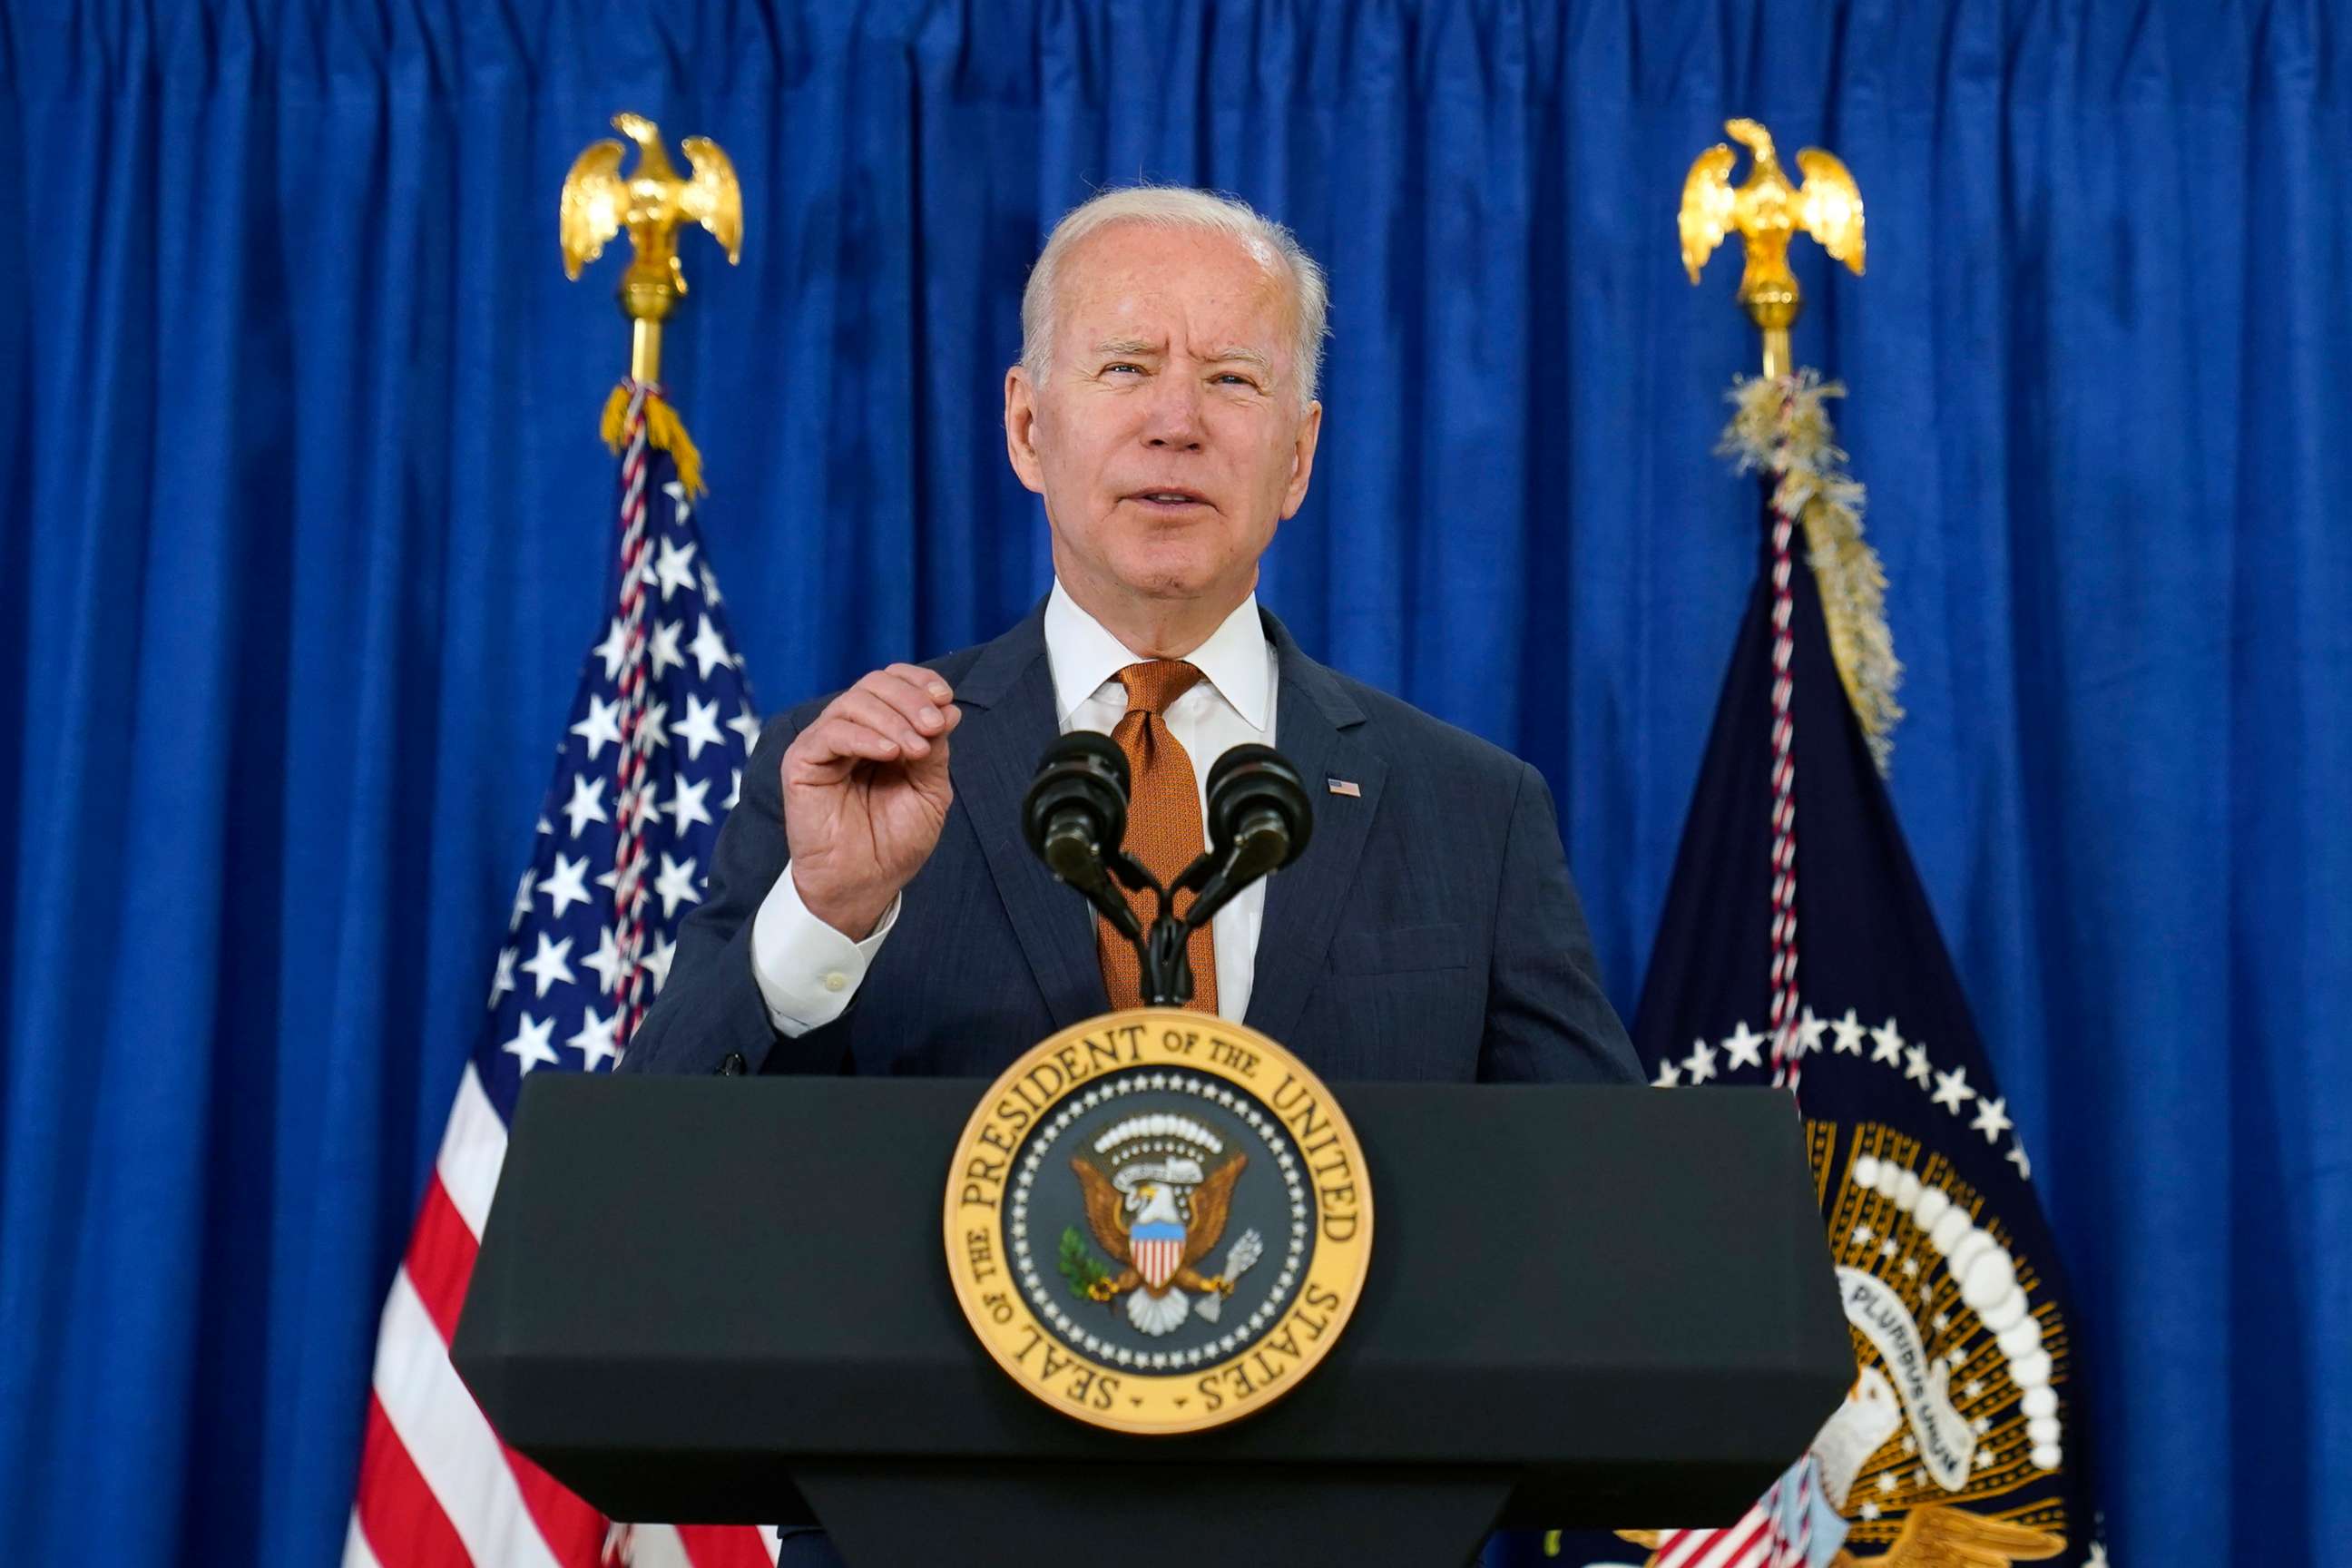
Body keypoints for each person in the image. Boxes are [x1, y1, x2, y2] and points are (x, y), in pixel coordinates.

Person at [622, 185, 1636, 1089]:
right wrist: (826, 913)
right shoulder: (860, 781)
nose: (1176, 423)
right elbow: (658, 1168)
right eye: (1125, 367)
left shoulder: (1474, 810)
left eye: (1233, 380)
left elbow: (1603, 1191)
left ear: (1298, 457)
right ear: (1027, 429)